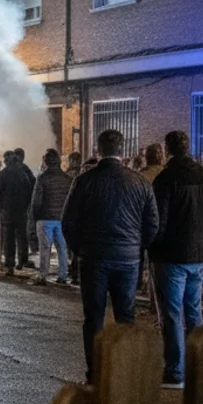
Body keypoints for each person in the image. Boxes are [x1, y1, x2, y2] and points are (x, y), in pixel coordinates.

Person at [62, 129, 158, 383]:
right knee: (125, 316)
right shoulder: (139, 182)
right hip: (127, 258)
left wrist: (78, 250)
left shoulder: (84, 181)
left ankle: (95, 373)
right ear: (122, 150)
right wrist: (137, 247)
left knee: (93, 316)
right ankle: (124, 373)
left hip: (93, 257)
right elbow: (152, 224)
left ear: (99, 149)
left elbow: (68, 221)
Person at [151, 131, 203, 390]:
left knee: (172, 313)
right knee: (194, 311)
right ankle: (197, 365)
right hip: (198, 254)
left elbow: (160, 221)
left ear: (167, 149)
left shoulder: (166, 179)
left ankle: (176, 370)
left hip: (172, 256)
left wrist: (154, 247)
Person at [32, 149, 72, 285]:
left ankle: (42, 275)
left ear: (46, 162)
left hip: (45, 217)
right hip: (62, 218)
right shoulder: (68, 179)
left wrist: (34, 217)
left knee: (45, 247)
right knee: (62, 247)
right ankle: (63, 275)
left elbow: (36, 201)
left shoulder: (42, 179)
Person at [0, 150, 34, 275]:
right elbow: (30, 191)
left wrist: (1, 205)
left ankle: (10, 265)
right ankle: (21, 261)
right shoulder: (24, 173)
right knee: (22, 237)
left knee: (9, 239)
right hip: (21, 212)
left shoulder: (3, 174)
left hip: (8, 212)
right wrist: (26, 206)